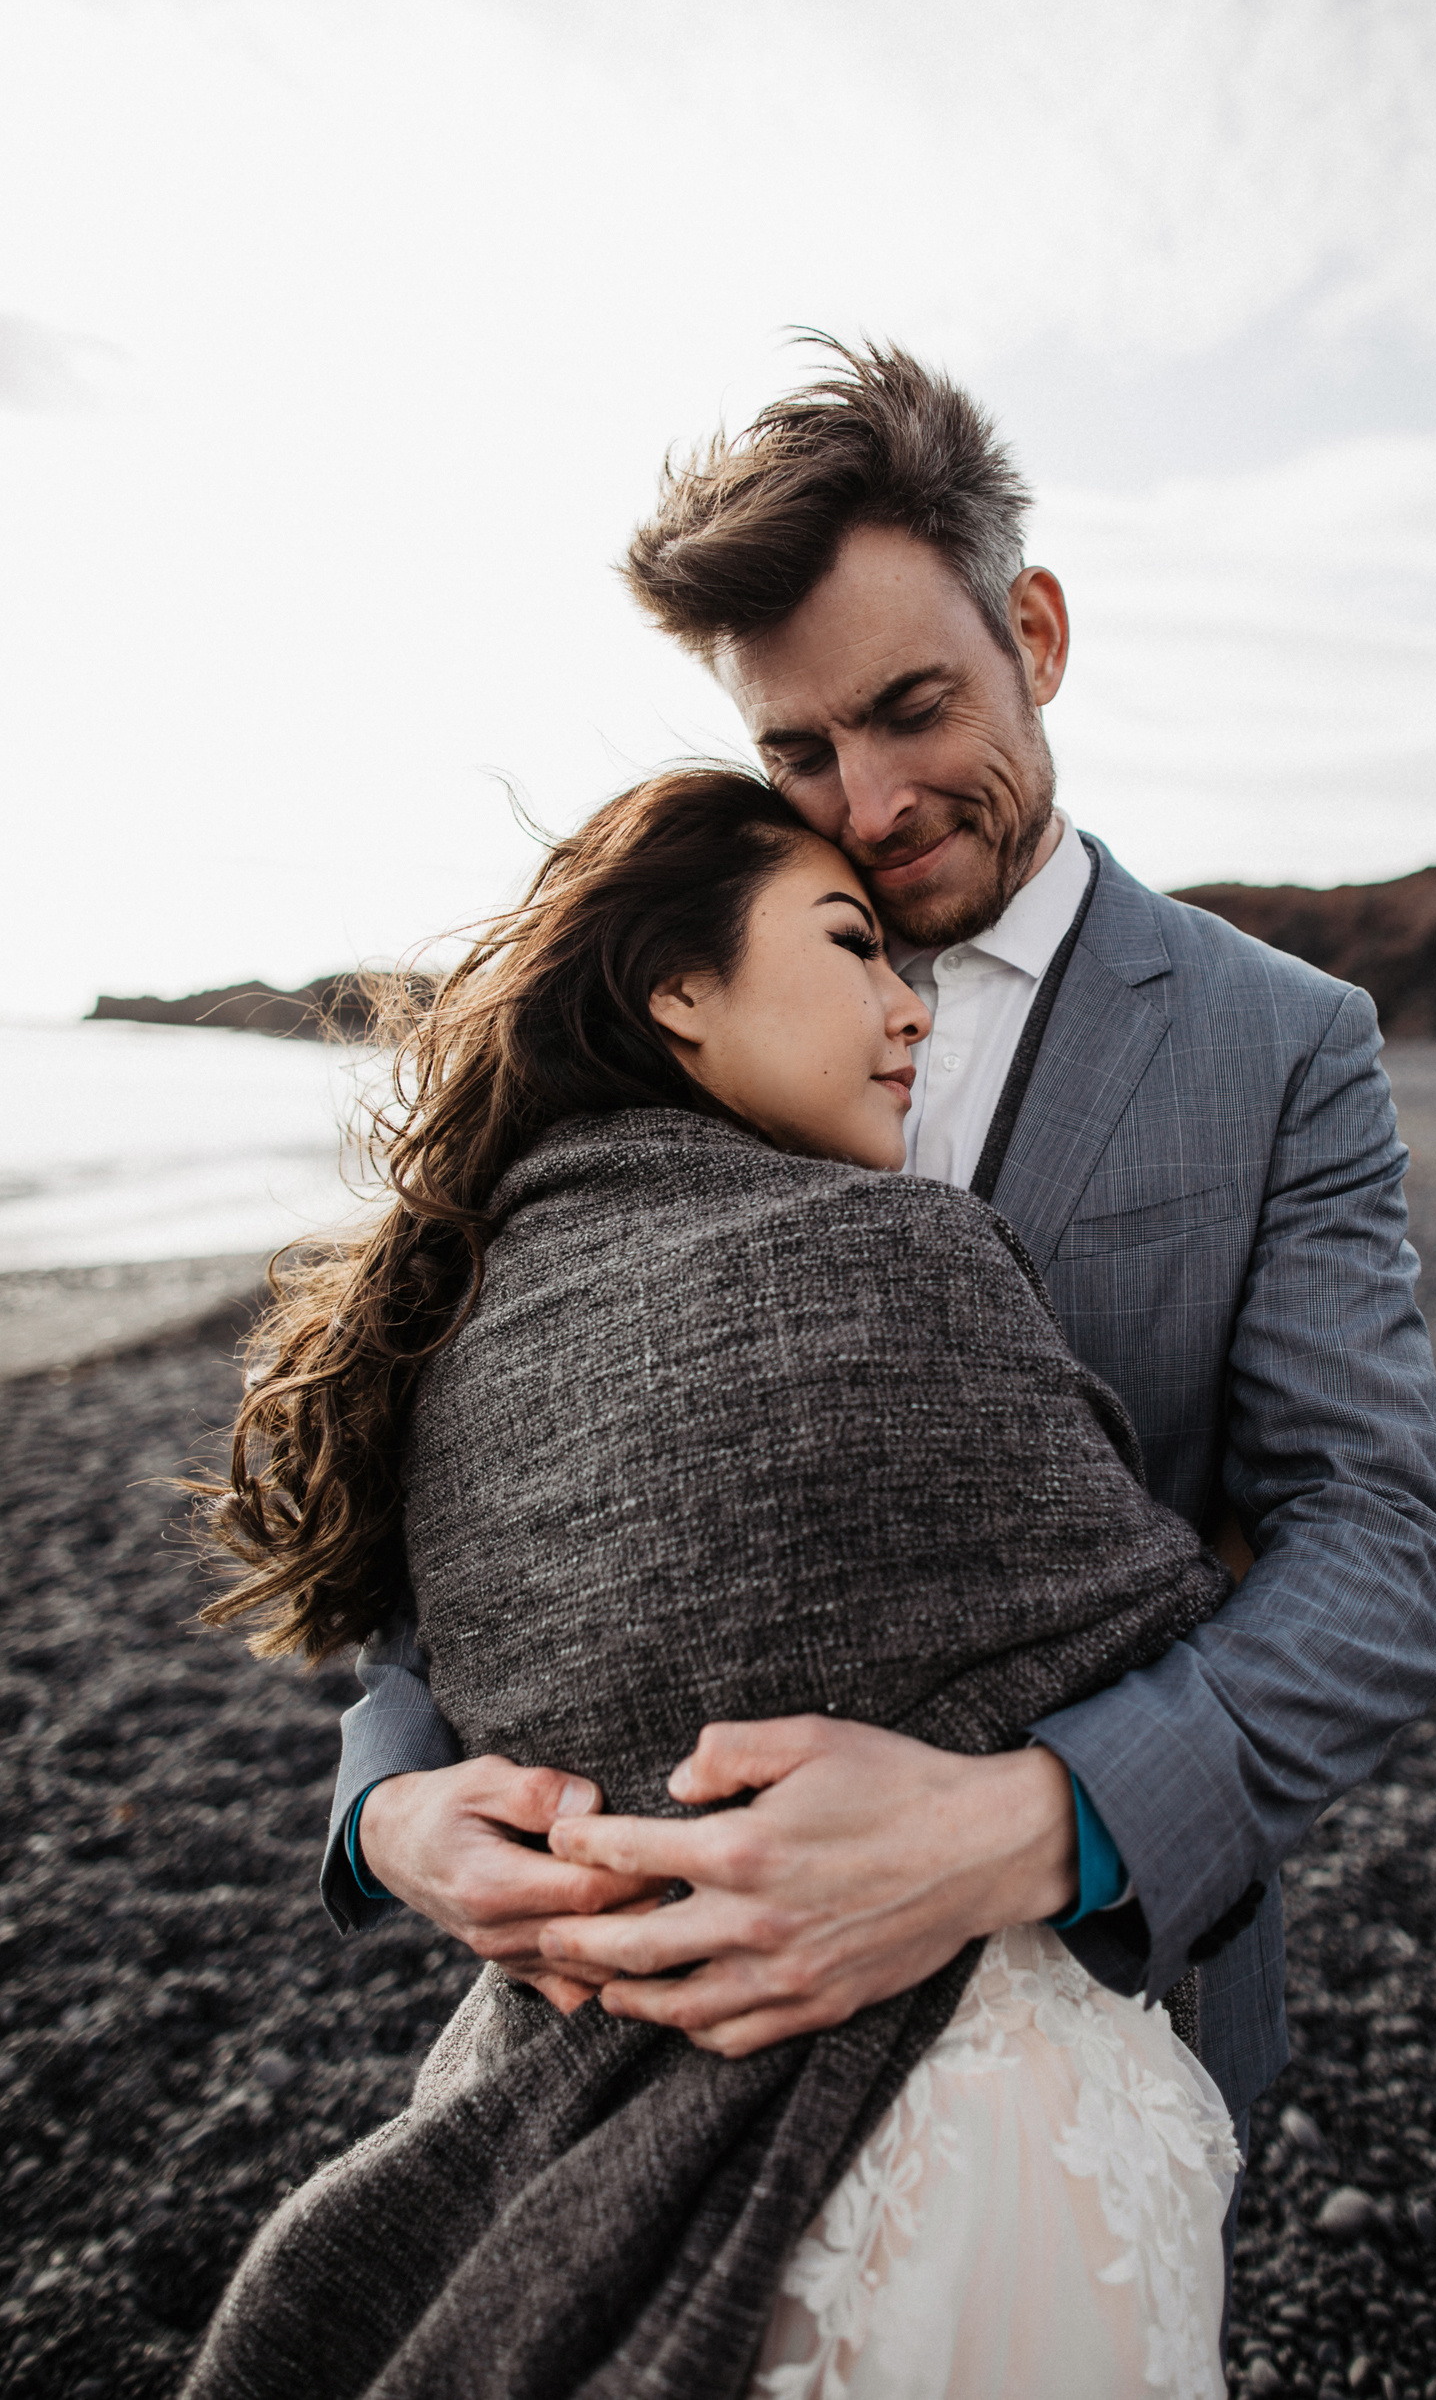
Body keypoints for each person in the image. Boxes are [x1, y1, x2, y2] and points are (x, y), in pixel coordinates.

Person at [322, 339, 1436, 2275]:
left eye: (913, 706)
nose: (862, 798)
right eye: (794, 751)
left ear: (1035, 625)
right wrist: (396, 1799)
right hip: (625, 2035)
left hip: (1070, 2028)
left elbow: (1385, 1551)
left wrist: (1027, 1822)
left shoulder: (1283, 1046)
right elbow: (502, 1472)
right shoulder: (686, 1009)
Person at [188, 767, 1243, 2398]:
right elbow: (1163, 1613)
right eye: (854, 949)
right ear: (678, 986)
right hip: (956, 2144)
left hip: (552, 2058)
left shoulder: (467, 1314)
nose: (912, 1010)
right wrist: (385, 1807)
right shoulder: (900, 1255)